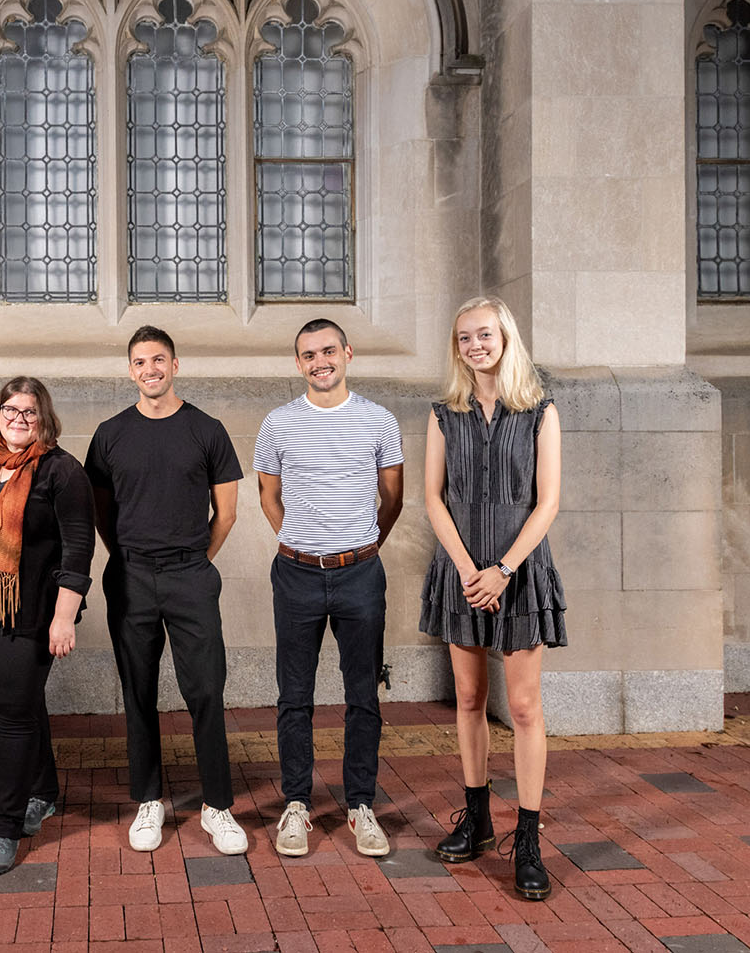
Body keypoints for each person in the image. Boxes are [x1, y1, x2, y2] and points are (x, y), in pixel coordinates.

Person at [419, 296, 564, 901]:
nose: (474, 345)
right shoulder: (443, 413)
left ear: (505, 337)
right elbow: (432, 498)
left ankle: (527, 840)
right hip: (461, 571)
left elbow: (548, 501)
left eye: (484, 334)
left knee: (525, 708)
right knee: (471, 698)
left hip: (519, 572)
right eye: (464, 338)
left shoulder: (539, 409)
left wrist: (502, 569)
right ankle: (477, 818)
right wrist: (467, 571)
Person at [85, 326, 248, 856]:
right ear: (130, 370)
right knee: (138, 691)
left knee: (205, 690)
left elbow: (226, 513)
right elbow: (100, 513)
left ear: (175, 365)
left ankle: (217, 806)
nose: (150, 369)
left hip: (190, 575)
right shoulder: (110, 434)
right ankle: (148, 799)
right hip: (130, 576)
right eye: (139, 361)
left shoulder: (207, 430)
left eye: (159, 359)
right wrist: (127, 557)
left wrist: (196, 560)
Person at [254, 319, 404, 859]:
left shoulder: (379, 421)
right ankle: (297, 803)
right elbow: (269, 497)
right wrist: (301, 544)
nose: (320, 361)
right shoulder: (277, 424)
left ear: (347, 353)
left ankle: (360, 804)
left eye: (328, 350)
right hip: (295, 574)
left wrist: (357, 549)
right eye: (308, 354)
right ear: (298, 363)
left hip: (360, 573)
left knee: (362, 696)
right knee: (294, 697)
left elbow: (392, 499)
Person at [0, 378, 95, 876]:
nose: (19, 419)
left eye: (30, 412)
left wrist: (63, 618)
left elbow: (78, 550)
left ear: (44, 418)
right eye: (11, 409)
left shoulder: (61, 470)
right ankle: (44, 792)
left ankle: (3, 828)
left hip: (29, 616)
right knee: (23, 705)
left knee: (5, 713)